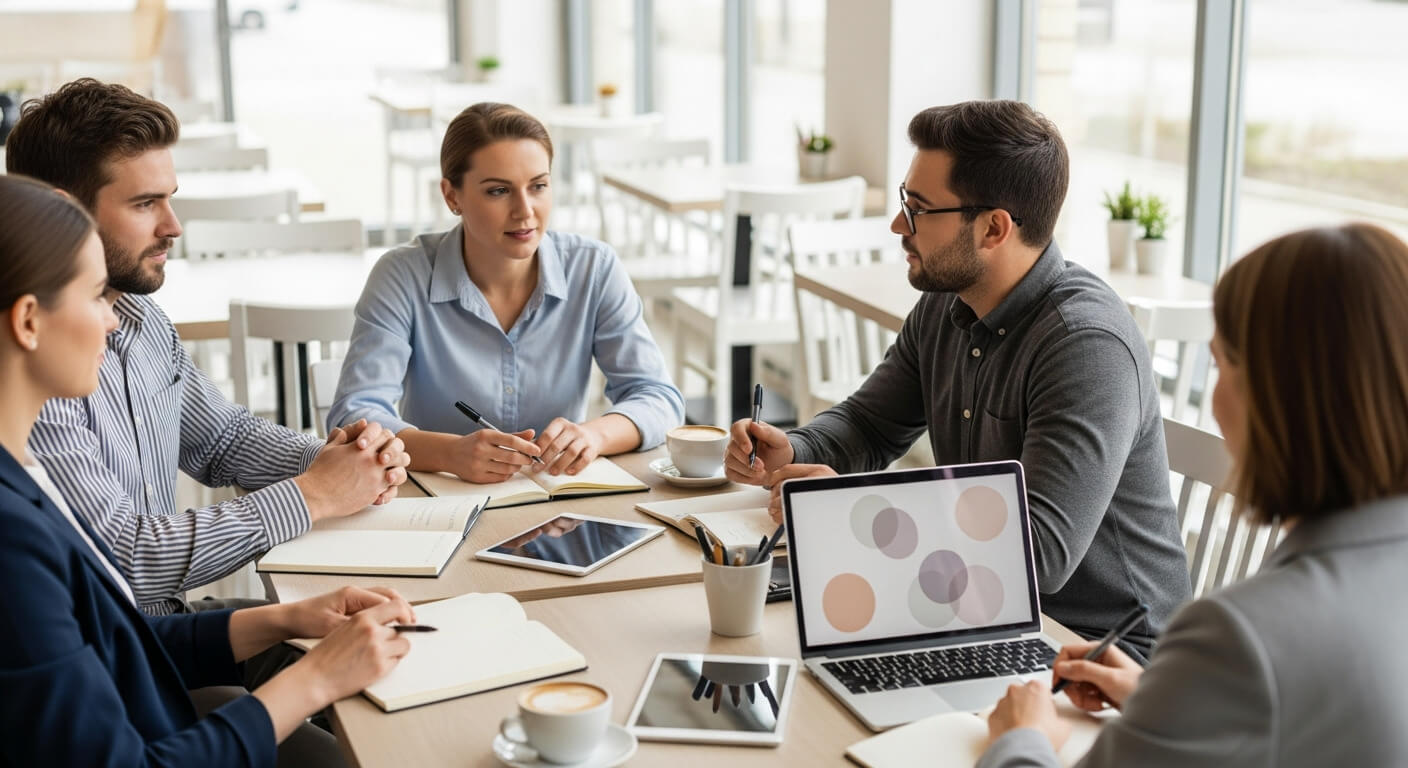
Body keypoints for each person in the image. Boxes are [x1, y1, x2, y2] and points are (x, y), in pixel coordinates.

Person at [724, 100, 1189, 659]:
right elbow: (870, 425)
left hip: (1102, 654)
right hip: (976, 611)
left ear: (993, 228)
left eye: (918, 209)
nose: (899, 226)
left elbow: (1037, 553)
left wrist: (855, 510)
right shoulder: (946, 305)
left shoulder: (1086, 346)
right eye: (904, 202)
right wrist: (794, 449)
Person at [0, 173, 414, 767]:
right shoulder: (11, 542)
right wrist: (313, 681)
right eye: (95, 297)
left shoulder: (26, 472)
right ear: (29, 322)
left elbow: (120, 642)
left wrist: (283, 617)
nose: (114, 322)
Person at [980, 222, 1408, 766]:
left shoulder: (1240, 638)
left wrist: (1021, 738)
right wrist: (1173, 707)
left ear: (1279, 397)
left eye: (1220, 362)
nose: (1215, 399)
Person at [5, 79, 412, 621]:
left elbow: (223, 439)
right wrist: (314, 494)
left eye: (169, 198)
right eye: (145, 203)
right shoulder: (34, 372)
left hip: (170, 625)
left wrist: (340, 462)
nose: (173, 227)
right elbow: (127, 557)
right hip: (127, 652)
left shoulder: (141, 318)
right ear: (65, 211)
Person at [329, 101, 683, 484]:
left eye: (539, 186)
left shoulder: (593, 268)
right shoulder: (402, 275)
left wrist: (593, 435)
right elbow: (356, 415)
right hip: (437, 500)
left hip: (557, 505)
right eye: (498, 191)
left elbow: (658, 398)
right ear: (452, 196)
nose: (525, 211)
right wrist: (451, 453)